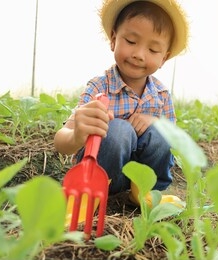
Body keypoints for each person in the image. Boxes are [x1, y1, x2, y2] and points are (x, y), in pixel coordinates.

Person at [54, 0, 189, 207]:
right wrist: (77, 134)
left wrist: (155, 122)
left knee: (163, 130)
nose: (139, 54)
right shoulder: (100, 87)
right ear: (114, 39)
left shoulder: (161, 95)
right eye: (131, 41)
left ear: (164, 58)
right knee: (119, 130)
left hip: (140, 178)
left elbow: (175, 142)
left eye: (153, 50)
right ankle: (92, 194)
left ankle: (144, 194)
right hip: (103, 173)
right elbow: (61, 143)